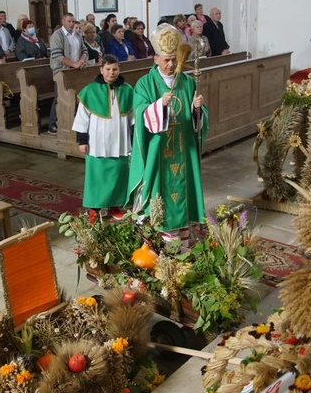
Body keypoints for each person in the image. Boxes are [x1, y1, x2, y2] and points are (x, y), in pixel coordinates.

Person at [128, 24, 207, 233]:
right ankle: (156, 229)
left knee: (184, 187)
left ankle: (184, 229)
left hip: (183, 146)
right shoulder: (145, 83)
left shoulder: (187, 82)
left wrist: (196, 109)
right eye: (166, 60)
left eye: (173, 59)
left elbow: (198, 118)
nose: (170, 64)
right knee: (157, 188)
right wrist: (158, 105)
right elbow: (139, 113)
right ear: (156, 59)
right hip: (158, 148)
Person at [73, 54, 133, 211]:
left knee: (119, 175)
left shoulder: (128, 90)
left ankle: (115, 205)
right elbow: (81, 118)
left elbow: (133, 119)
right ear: (101, 69)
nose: (111, 72)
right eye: (107, 69)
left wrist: (133, 140)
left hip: (121, 142)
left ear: (119, 70)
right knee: (97, 177)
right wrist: (82, 141)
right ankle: (95, 208)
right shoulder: (90, 91)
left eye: (115, 69)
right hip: (97, 143)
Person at [48, 12, 87, 135]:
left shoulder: (77, 35)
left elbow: (84, 50)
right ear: (63, 22)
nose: (71, 24)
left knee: (74, 96)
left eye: (73, 21)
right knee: (59, 97)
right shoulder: (57, 35)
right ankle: (52, 124)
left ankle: (72, 121)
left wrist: (81, 60)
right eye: (69, 21)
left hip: (75, 70)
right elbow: (57, 55)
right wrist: (73, 64)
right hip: (61, 70)